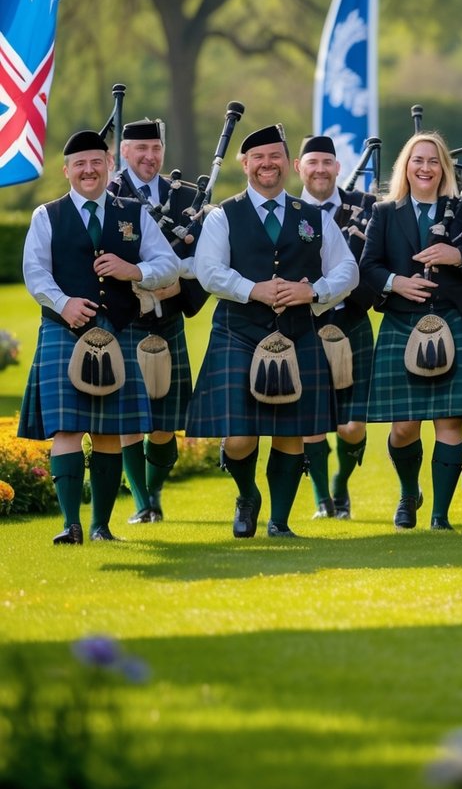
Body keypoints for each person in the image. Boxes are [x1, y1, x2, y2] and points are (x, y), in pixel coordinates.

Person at [185, 124, 359, 538]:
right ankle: (247, 494)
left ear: (287, 162)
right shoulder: (222, 216)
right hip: (238, 332)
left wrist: (313, 291)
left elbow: (347, 270)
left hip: (298, 331)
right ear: (244, 164)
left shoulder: (313, 217)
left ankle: (279, 522)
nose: (268, 164)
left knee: (291, 433)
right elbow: (208, 272)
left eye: (275, 156)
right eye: (258, 157)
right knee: (239, 436)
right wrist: (253, 290)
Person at [19, 129, 177, 544]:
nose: (88, 170)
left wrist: (134, 271)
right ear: (66, 170)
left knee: (109, 430)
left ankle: (101, 526)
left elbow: (168, 263)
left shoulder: (134, 212)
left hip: (118, 331)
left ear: (110, 164)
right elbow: (35, 273)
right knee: (67, 428)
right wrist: (63, 302)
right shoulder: (46, 215)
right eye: (80, 164)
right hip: (63, 329)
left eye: (96, 162)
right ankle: (71, 525)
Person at [360, 131, 462, 531]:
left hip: (455, 317)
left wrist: (457, 254)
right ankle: (408, 493)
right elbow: (368, 265)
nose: (425, 168)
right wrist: (395, 283)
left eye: (433, 161)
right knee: (404, 426)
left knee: (449, 421)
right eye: (418, 160)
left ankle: (441, 514)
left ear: (444, 167)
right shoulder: (386, 212)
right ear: (406, 166)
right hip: (403, 319)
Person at [108, 118, 208, 524]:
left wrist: (177, 290)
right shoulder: (107, 194)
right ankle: (143, 505)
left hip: (169, 321)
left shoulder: (186, 197)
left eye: (156, 149)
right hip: (126, 318)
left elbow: (206, 260)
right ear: (125, 152)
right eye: (141, 149)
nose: (150, 157)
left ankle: (154, 489)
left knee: (166, 426)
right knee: (130, 418)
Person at [293, 135, 377, 519]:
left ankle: (341, 483)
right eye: (313, 163)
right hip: (303, 321)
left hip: (351, 320)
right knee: (311, 418)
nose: (321, 170)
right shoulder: (288, 211)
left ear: (338, 167)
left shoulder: (367, 208)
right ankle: (323, 500)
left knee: (351, 427)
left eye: (327, 163)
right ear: (299, 167)